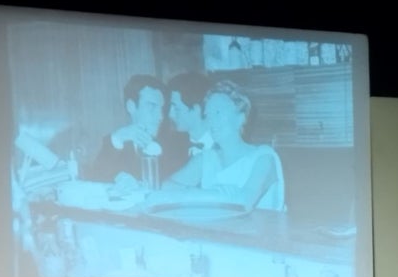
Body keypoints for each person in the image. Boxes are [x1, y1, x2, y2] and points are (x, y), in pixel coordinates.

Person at [153, 79, 285, 212]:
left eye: (217, 113)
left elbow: (244, 202)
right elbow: (166, 187)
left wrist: (193, 193)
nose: (211, 120)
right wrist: (212, 193)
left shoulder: (264, 157)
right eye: (208, 114)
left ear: (241, 118)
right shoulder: (206, 158)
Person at [87, 74, 177, 188]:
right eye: (152, 106)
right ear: (131, 107)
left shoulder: (174, 142)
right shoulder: (115, 143)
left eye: (161, 108)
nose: (160, 116)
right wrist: (118, 138)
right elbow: (95, 178)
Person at [166, 70, 213, 159]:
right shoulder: (174, 147)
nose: (170, 114)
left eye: (176, 108)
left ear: (196, 109)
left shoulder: (223, 148)